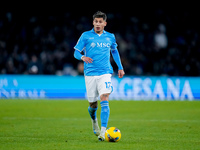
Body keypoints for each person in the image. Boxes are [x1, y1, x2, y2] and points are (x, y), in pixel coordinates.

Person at [74, 11, 125, 141]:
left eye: (100, 21)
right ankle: (94, 120)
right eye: (96, 21)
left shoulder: (110, 37)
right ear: (93, 22)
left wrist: (120, 67)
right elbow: (76, 52)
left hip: (105, 72)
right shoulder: (85, 36)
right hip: (90, 73)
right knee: (93, 104)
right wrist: (82, 57)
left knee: (104, 97)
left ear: (104, 23)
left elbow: (114, 51)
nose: (98, 24)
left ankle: (103, 132)